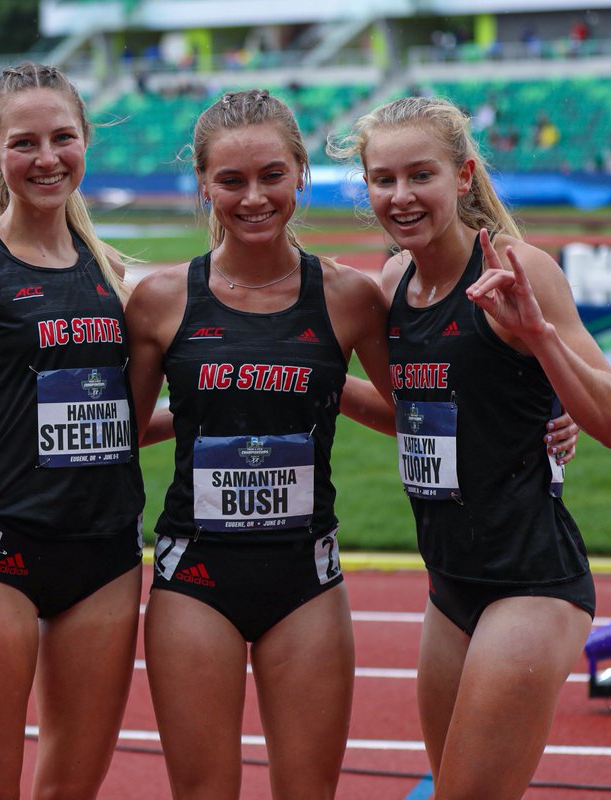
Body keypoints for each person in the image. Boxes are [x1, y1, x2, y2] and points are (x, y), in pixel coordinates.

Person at [328, 95, 611, 799]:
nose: (400, 197)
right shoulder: (394, 282)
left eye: (420, 176)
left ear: (462, 176)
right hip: (450, 586)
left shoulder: (519, 268)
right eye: (382, 180)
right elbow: (413, 416)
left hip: (531, 581)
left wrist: (540, 339)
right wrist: (320, 382)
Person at [123, 89, 395, 800]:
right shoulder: (159, 300)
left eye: (271, 175)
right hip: (195, 582)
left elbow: (413, 412)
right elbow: (120, 432)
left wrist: (543, 422)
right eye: (231, 181)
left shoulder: (349, 297)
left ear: (301, 174)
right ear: (204, 185)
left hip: (305, 581)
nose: (253, 198)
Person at [0, 62, 145, 799]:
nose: (47, 158)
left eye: (63, 138)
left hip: (105, 558)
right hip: (0, 558)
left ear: (85, 142)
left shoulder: (115, 274)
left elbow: (124, 420)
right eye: (25, 143)